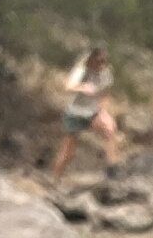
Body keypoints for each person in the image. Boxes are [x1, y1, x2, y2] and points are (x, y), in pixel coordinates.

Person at [51, 47, 118, 178]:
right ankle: (55, 177)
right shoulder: (81, 70)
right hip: (75, 113)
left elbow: (105, 93)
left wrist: (103, 111)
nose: (101, 64)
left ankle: (113, 168)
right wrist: (82, 87)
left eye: (104, 61)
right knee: (68, 152)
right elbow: (68, 86)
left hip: (93, 112)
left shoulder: (106, 73)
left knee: (110, 128)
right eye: (99, 61)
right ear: (92, 60)